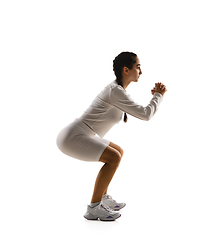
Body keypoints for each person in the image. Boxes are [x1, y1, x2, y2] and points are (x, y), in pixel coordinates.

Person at [56, 52, 167, 221]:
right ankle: (94, 208)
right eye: (138, 67)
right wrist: (158, 95)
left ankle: (103, 196)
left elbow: (136, 109)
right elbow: (145, 114)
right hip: (73, 136)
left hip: (83, 133)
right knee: (113, 158)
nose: (141, 71)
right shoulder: (115, 91)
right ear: (126, 70)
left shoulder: (117, 90)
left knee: (118, 151)